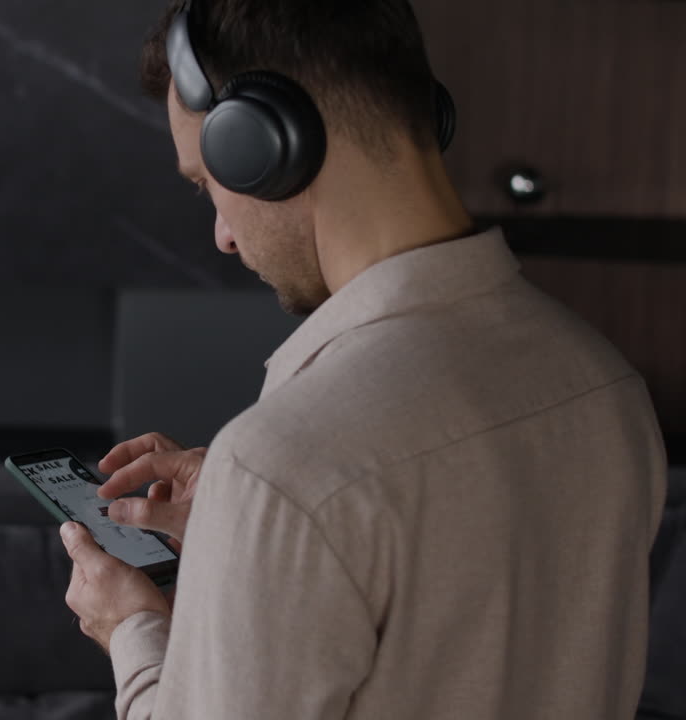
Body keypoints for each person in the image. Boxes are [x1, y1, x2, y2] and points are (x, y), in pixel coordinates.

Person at [57, 1, 668, 718]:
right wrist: (247, 530)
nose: (222, 235)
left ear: (264, 145)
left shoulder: (285, 464)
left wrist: (133, 630)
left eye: (208, 182)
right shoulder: (605, 384)